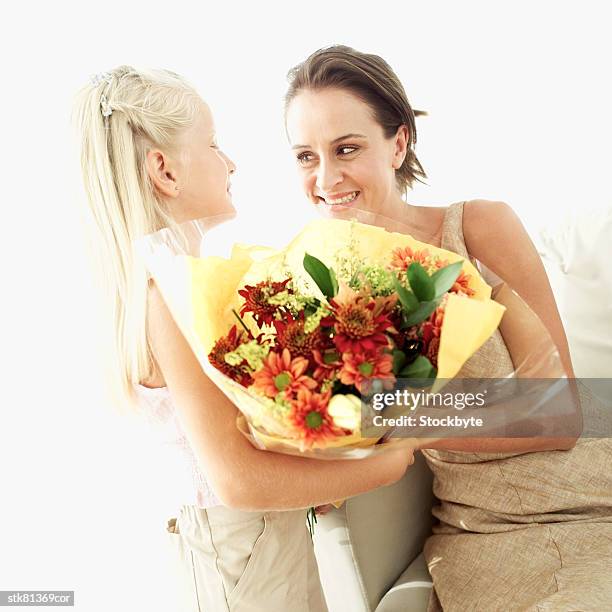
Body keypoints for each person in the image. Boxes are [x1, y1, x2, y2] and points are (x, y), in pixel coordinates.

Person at [74, 66, 415, 612]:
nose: (229, 162)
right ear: (164, 169)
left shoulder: (176, 285)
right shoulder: (168, 300)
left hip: (249, 543)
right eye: (212, 145)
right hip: (238, 552)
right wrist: (391, 462)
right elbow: (236, 481)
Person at [284, 45, 612, 611]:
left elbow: (562, 413)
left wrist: (395, 418)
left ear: (400, 142)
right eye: (305, 157)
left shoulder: (478, 228)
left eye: (346, 148)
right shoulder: (322, 292)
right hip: (487, 533)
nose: (326, 177)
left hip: (590, 497)